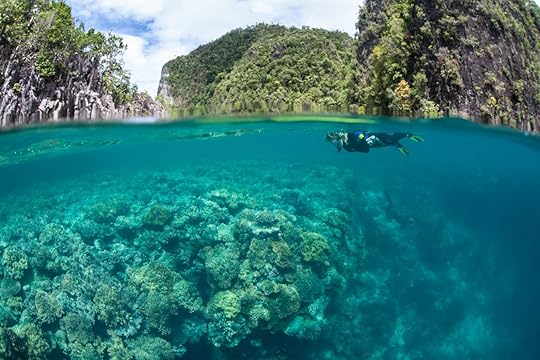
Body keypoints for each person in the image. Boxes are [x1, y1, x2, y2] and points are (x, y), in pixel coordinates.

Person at [325, 130, 424, 155]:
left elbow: (359, 133)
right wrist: (361, 137)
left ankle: (407, 135)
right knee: (389, 141)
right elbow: (365, 150)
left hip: (376, 137)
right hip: (375, 143)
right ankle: (398, 143)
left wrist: (360, 136)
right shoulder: (347, 147)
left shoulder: (348, 134)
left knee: (390, 138)